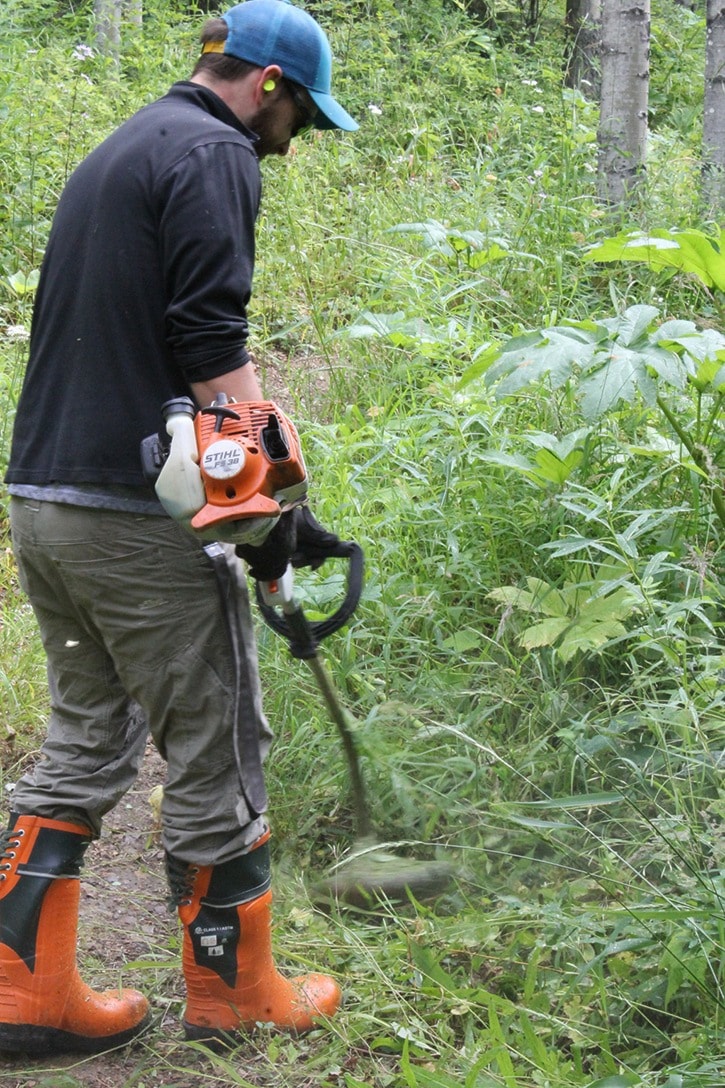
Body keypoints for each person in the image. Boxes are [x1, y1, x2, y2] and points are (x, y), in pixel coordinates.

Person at [1, 0, 357, 1055]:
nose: (294, 144)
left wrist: (272, 500)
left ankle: (25, 997)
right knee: (217, 738)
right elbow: (209, 336)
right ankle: (235, 994)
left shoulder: (126, 145)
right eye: (302, 118)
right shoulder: (214, 153)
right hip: (131, 520)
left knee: (84, 736)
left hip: (46, 503)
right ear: (272, 89)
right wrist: (265, 495)